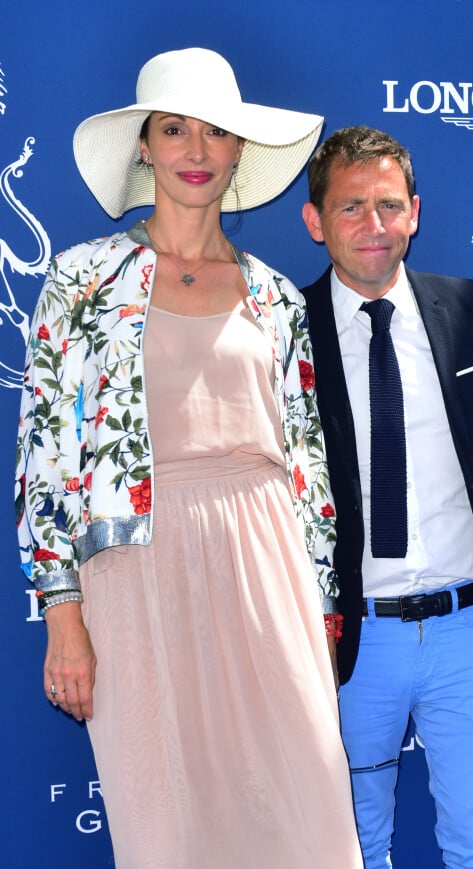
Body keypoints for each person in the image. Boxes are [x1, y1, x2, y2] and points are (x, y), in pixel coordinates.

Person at [15, 49, 363, 869]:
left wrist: (322, 598)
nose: (197, 150)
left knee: (308, 811)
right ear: (144, 146)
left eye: (215, 132)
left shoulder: (276, 296)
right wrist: (61, 612)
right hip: (134, 570)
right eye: (175, 130)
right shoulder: (80, 281)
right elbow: (43, 457)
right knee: (167, 831)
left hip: (267, 561)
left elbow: (305, 457)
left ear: (240, 149)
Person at [300, 125, 473, 869]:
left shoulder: (465, 308)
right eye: (352, 207)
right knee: (353, 846)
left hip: (470, 624)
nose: (374, 226)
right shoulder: (284, 330)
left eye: (389, 205)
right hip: (350, 640)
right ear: (315, 221)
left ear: (415, 212)